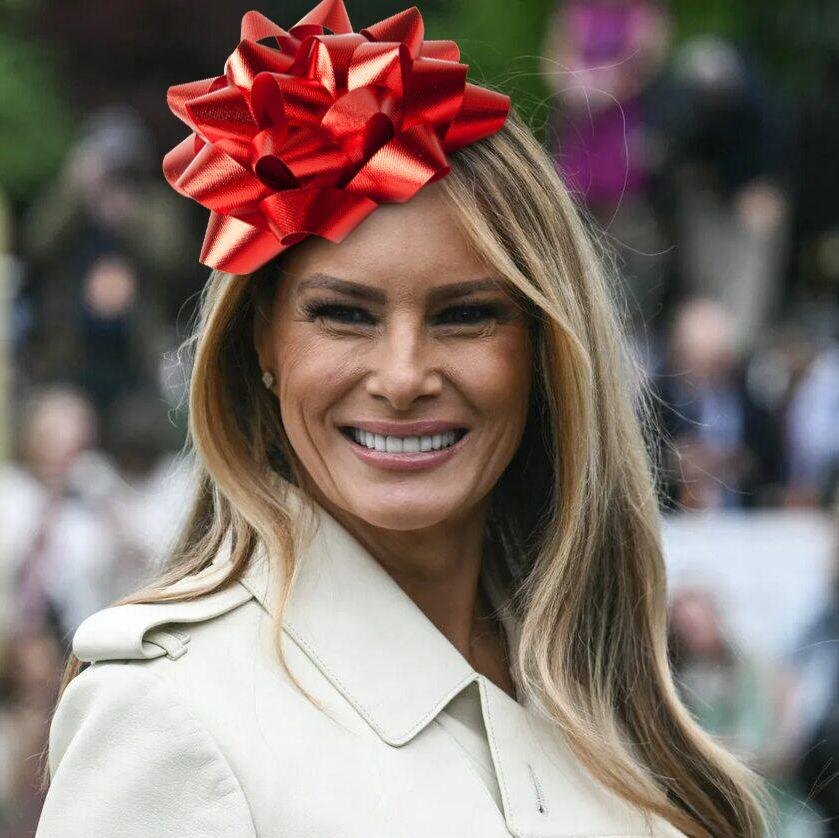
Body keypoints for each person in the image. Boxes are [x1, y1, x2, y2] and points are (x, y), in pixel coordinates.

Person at [36, 3, 776, 836]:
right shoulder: (168, 714)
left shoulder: (610, 703)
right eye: (343, 315)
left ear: (544, 352)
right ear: (261, 344)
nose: (401, 378)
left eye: (465, 316)